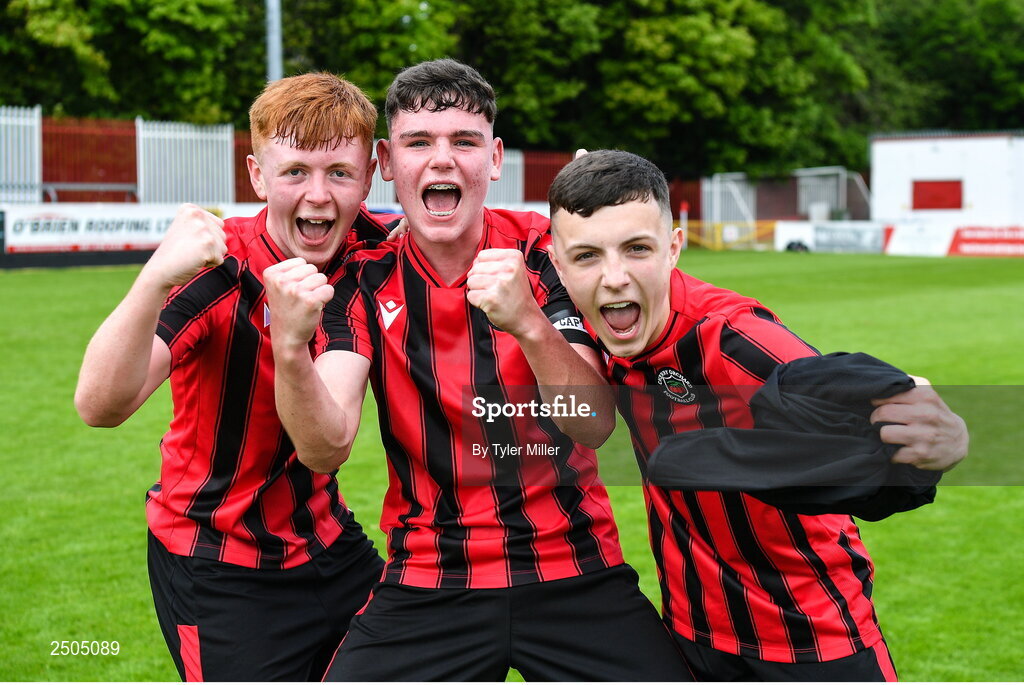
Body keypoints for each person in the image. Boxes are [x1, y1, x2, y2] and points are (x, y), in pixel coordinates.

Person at [264, 59, 691, 681]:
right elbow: (324, 447)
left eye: (463, 141)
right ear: (386, 162)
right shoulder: (361, 277)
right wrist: (289, 349)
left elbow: (595, 425)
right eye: (418, 143)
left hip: (573, 569)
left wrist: (528, 321)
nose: (442, 161)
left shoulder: (549, 253)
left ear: (493, 158)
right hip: (430, 578)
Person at [545, 149, 969, 681]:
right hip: (690, 635)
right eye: (587, 256)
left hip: (812, 640)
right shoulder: (602, 329)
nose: (613, 278)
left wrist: (944, 443)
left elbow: (879, 432)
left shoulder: (735, 339)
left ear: (674, 248)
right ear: (560, 266)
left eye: (637, 249)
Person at [73, 73, 394, 681]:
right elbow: (99, 405)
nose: (319, 196)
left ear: (369, 176)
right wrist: (151, 280)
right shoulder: (218, 268)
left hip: (326, 540)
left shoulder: (371, 250)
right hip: (218, 561)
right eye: (295, 171)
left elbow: (327, 446)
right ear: (256, 175)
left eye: (340, 173)